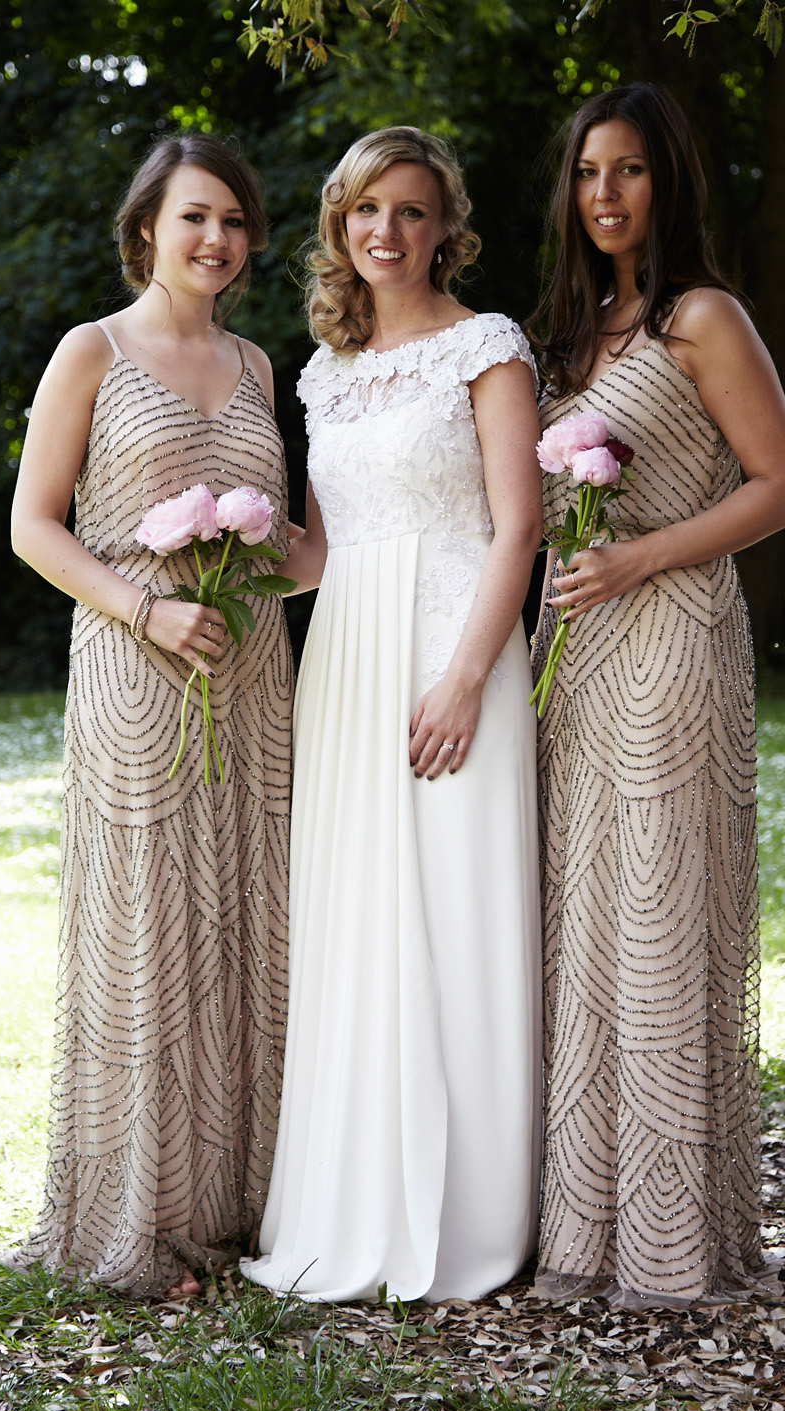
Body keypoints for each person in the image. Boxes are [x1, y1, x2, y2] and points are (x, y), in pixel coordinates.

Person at [240, 126, 543, 1303]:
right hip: (349, 660)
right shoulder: (322, 369)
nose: (387, 233)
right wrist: (228, 548)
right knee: (358, 923)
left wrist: (467, 675)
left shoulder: (488, 347)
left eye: (411, 212)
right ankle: (351, 1199)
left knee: (457, 914)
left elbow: (519, 527)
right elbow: (322, 551)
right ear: (339, 225)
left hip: (456, 647)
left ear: (443, 226)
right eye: (368, 211)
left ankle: (470, 1217)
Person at [530, 83, 785, 1309]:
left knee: (657, 919)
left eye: (630, 170)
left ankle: (668, 1239)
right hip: (575, 654)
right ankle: (579, 1223)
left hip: (672, 635)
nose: (607, 194)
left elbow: (783, 484)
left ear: (670, 182)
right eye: (591, 172)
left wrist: (643, 555)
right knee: (581, 922)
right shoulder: (573, 328)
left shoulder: (702, 317)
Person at [10, 133, 292, 1298]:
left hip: (254, 667)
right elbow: (33, 526)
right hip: (137, 666)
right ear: (146, 230)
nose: (215, 238)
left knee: (253, 924)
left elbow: (291, 537)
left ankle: (248, 1205)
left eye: (231, 219)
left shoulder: (263, 365)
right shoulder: (94, 351)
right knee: (150, 929)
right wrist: (144, 610)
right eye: (193, 217)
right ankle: (147, 1219)